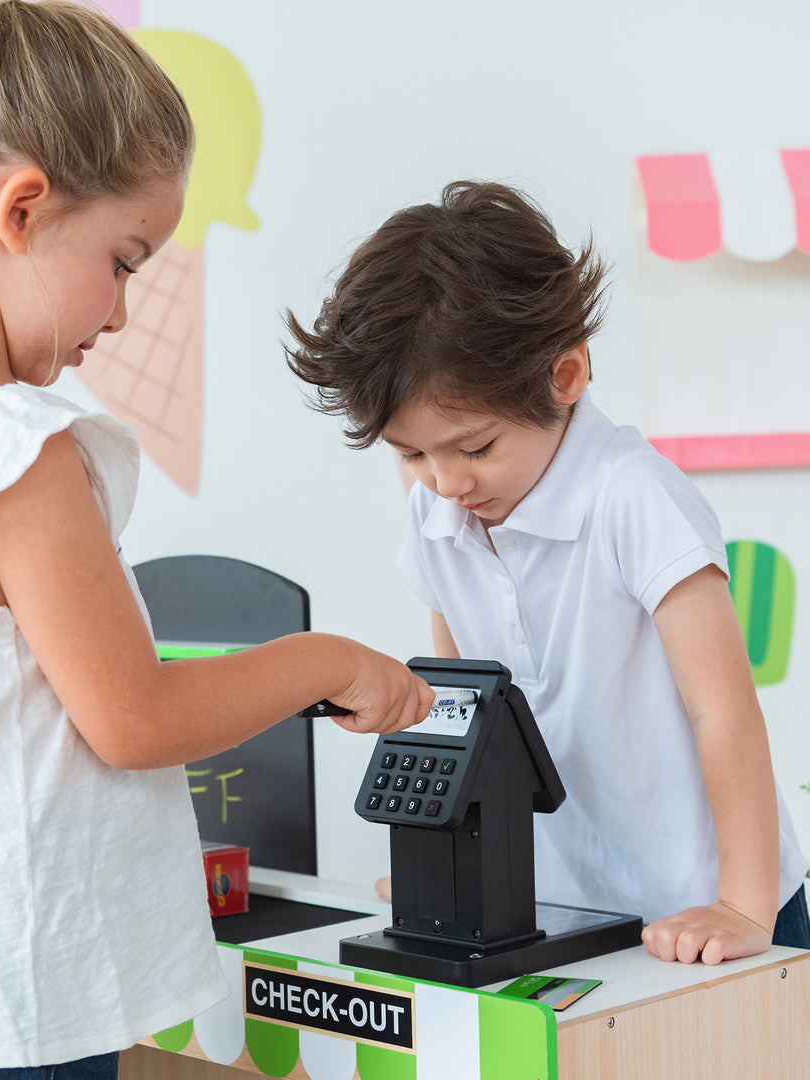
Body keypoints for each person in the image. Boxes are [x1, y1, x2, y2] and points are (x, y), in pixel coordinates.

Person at [0, 2, 435, 1076]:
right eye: (125, 260)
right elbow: (133, 718)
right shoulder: (5, 449)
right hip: (13, 995)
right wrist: (329, 660)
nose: (122, 314)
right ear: (21, 210)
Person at [285, 179, 810, 964]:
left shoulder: (633, 496)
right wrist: (451, 874)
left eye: (473, 448)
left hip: (713, 903)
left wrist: (743, 904)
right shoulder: (438, 514)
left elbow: (724, 712)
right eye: (412, 454)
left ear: (564, 378)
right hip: (565, 908)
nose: (446, 481)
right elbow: (460, 714)